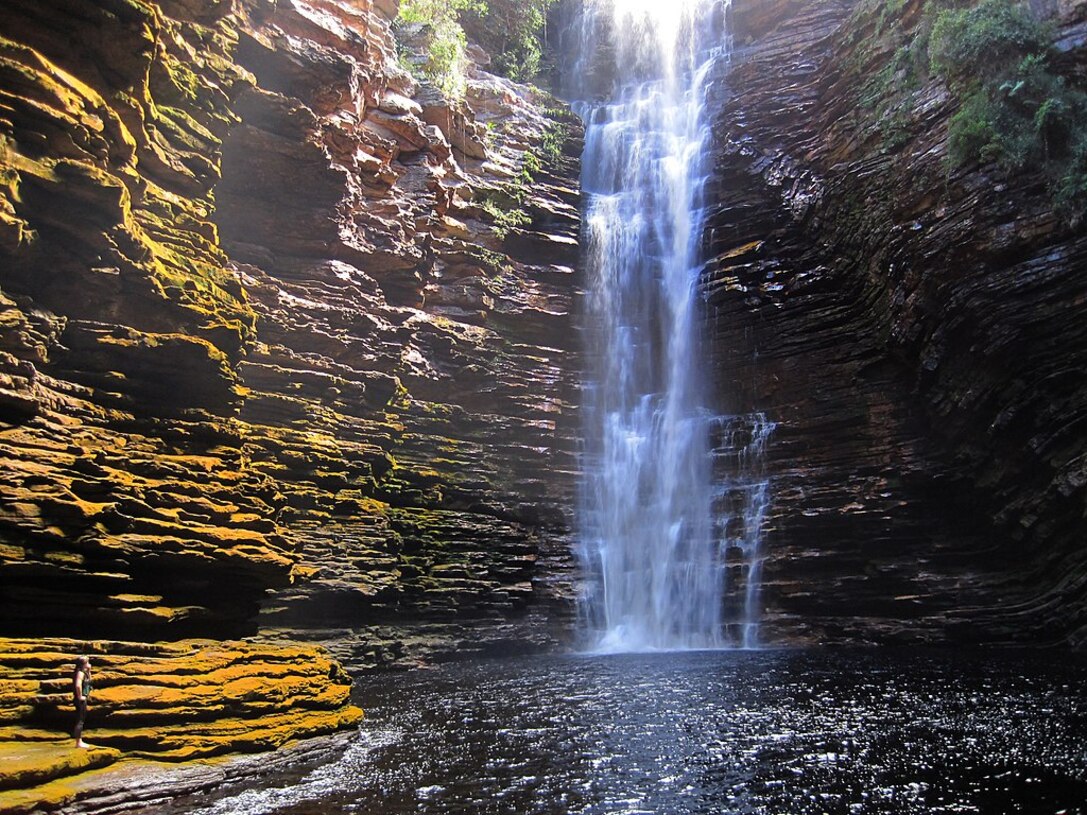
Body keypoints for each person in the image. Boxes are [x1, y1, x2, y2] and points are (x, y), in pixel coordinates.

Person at [72, 656, 92, 748]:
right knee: (80, 720)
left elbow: (90, 681)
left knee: (82, 719)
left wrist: (89, 671)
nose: (89, 664)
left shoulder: (85, 672)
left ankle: (79, 741)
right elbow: (78, 686)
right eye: (87, 663)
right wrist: (80, 696)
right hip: (80, 700)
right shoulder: (80, 673)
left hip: (83, 698)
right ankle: (78, 742)